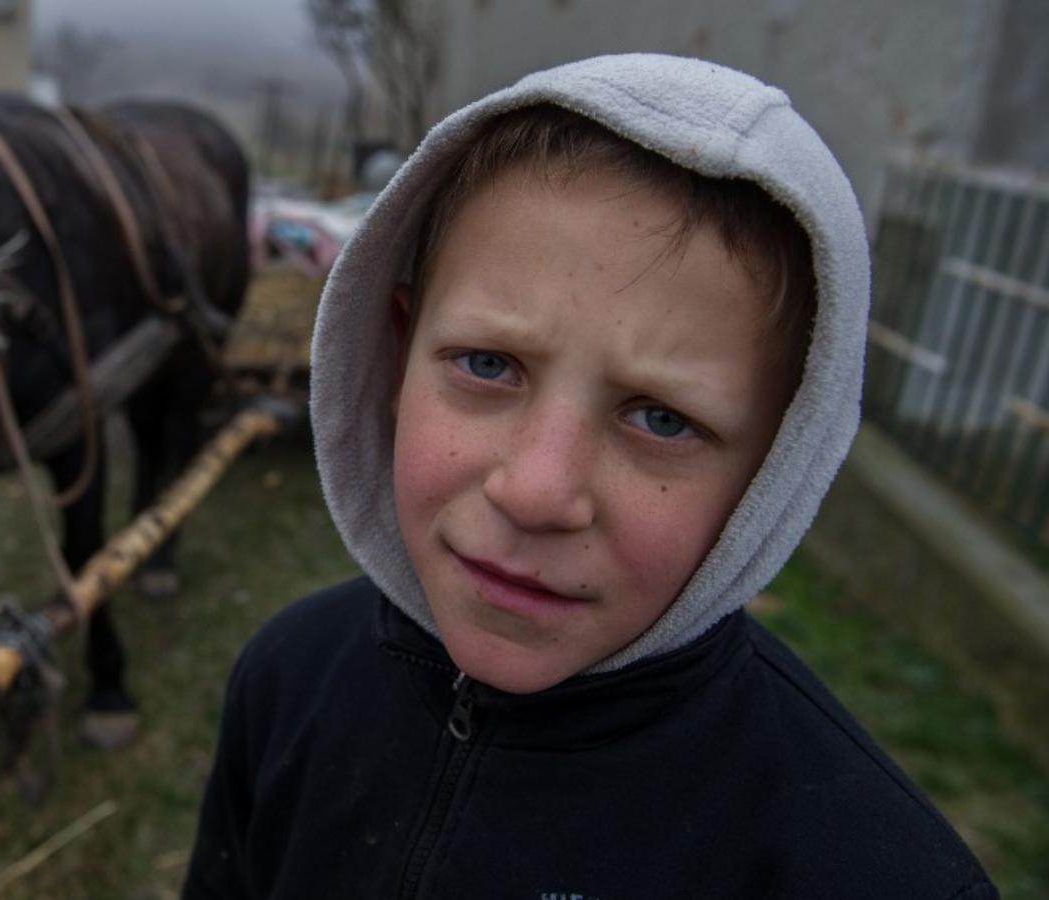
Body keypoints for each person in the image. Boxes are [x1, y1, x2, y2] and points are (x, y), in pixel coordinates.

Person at [182, 54, 997, 899]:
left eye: (662, 419)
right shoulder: (286, 680)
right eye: (488, 365)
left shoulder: (868, 870)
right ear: (396, 353)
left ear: (774, 467)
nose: (536, 492)